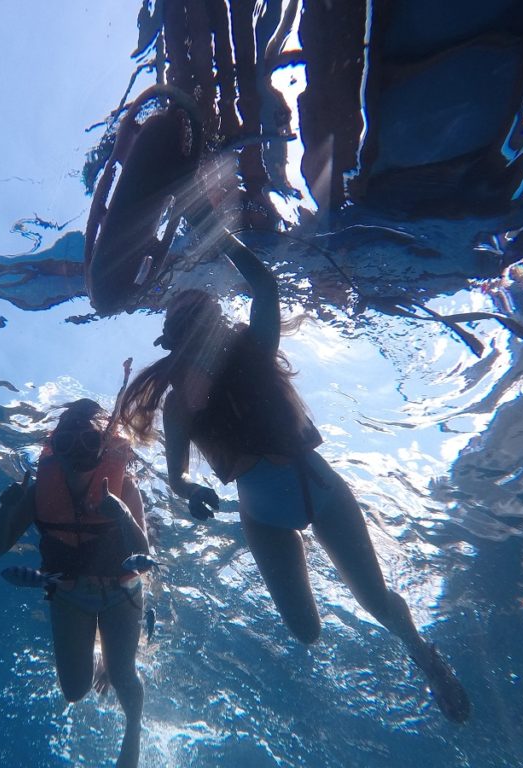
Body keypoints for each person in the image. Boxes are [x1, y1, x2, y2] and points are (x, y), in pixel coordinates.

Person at [117, 232, 471, 723]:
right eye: (192, 334)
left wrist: (223, 237)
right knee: (306, 631)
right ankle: (317, 557)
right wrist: (191, 490)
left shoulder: (257, 351)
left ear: (217, 328)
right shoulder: (179, 405)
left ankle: (425, 658)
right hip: (265, 521)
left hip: (319, 493)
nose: (203, 344)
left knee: (375, 602)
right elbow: (176, 476)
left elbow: (264, 287)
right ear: (178, 344)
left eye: (206, 328)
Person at [0, 398, 150, 767]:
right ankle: (99, 651)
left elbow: (144, 558)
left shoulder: (126, 488)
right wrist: (7, 509)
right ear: (54, 448)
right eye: (65, 444)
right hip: (71, 598)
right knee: (75, 691)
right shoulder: (39, 490)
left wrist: (122, 516)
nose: (77, 455)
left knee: (122, 674)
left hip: (121, 594)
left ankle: (133, 729)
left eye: (88, 443)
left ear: (103, 447)